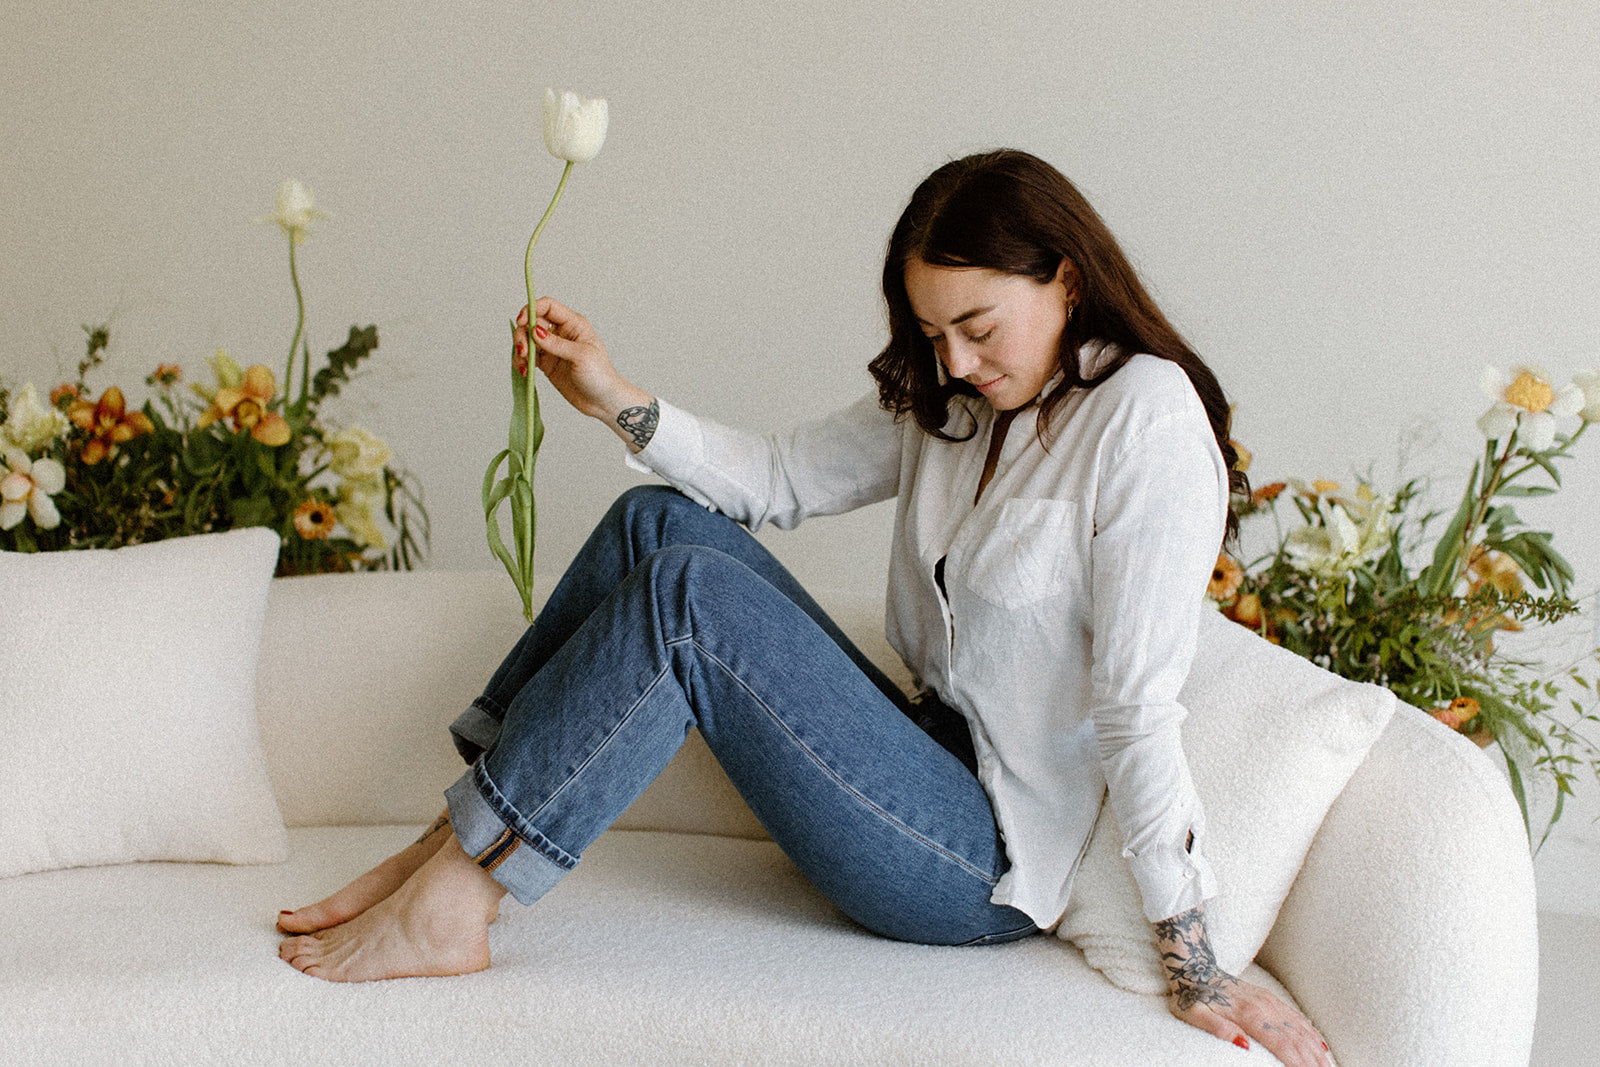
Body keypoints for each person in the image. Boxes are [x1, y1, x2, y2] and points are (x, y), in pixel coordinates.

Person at [278, 149, 1331, 1063]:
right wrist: (611, 397)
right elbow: (777, 479)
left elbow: (1137, 707)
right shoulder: (958, 398)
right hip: (911, 751)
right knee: (658, 524)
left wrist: (1195, 961)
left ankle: (460, 897)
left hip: (978, 857)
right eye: (934, 332)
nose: (956, 361)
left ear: (1065, 276)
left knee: (689, 597)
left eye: (978, 327)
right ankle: (454, 838)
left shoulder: (1144, 420)